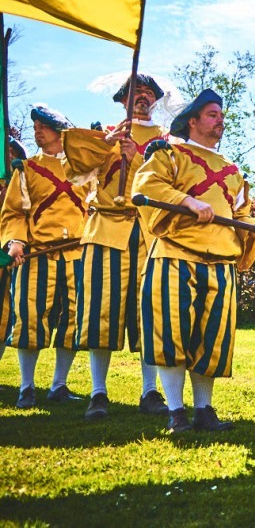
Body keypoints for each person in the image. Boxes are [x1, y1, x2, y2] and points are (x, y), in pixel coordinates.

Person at [132, 88, 255, 434]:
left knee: (211, 341)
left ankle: (204, 410)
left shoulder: (232, 171)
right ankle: (176, 412)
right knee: (172, 336)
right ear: (192, 121)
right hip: (175, 257)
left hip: (221, 263)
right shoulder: (170, 155)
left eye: (222, 117)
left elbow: (240, 213)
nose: (220, 122)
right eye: (212, 115)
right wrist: (188, 203)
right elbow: (146, 186)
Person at [61, 74, 170, 420]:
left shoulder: (166, 140)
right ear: (122, 100)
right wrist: (108, 143)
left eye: (148, 93)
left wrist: (136, 157)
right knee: (100, 313)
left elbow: (165, 184)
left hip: (147, 232)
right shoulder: (106, 133)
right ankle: (98, 392)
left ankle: (150, 391)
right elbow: (72, 168)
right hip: (105, 228)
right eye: (135, 93)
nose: (142, 98)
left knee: (148, 312)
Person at [1, 106, 90, 408]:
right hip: (37, 254)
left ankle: (59, 385)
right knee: (28, 318)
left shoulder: (84, 168)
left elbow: (97, 207)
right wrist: (15, 240)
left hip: (78, 254)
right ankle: (26, 387)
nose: (38, 131)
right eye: (35, 126)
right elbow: (13, 210)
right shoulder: (25, 168)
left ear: (59, 130)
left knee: (73, 321)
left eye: (44, 126)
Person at [0, 136, 28, 364]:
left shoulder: (21, 184)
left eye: (12, 152)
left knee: (3, 314)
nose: (7, 156)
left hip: (7, 255)